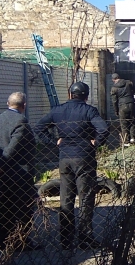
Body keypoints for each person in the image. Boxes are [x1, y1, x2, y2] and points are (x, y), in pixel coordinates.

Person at [35, 82, 109, 250]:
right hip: (84, 158)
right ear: (86, 96)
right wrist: (96, 142)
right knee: (85, 197)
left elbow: (39, 128)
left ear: (69, 95)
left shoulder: (57, 110)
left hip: (64, 159)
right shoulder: (89, 110)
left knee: (66, 198)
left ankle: (66, 240)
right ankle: (85, 238)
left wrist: (54, 142)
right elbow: (103, 129)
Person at [0, 92, 39, 251]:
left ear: (7, 103)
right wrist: (1, 163)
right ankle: (22, 241)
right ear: (24, 106)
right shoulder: (21, 121)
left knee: (6, 207)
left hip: (3, 173)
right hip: (20, 172)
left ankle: (5, 241)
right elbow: (13, 147)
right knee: (24, 207)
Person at [110, 73, 135, 145]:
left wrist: (116, 110)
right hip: (131, 104)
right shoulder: (128, 83)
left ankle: (126, 141)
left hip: (122, 106)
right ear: (119, 77)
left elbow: (114, 101)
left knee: (123, 124)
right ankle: (133, 139)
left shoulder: (114, 88)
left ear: (113, 80)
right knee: (132, 122)